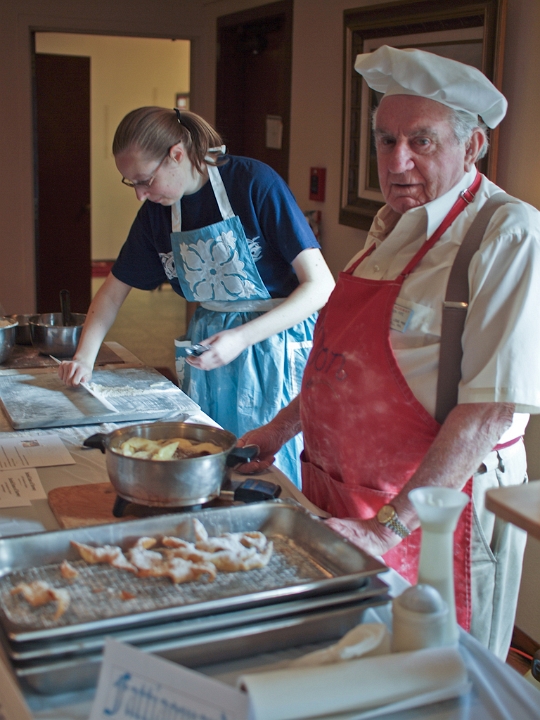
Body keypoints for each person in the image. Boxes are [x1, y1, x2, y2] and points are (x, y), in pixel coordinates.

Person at [236, 46, 540, 660]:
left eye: (422, 142)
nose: (397, 161)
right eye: (385, 140)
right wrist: (278, 428)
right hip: (344, 497)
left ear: (472, 146)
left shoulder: (508, 235)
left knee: (436, 676)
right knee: (353, 664)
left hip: (434, 516)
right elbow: (345, 369)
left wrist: (391, 526)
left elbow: (486, 412)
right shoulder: (386, 228)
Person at [58, 107, 335, 487]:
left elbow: (321, 286)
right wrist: (83, 359)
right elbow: (112, 291)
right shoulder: (157, 213)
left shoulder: (253, 183)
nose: (140, 195)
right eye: (131, 184)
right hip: (211, 349)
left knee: (269, 468)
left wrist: (242, 337)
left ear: (177, 154)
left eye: (145, 180)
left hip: (275, 344)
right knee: (210, 460)